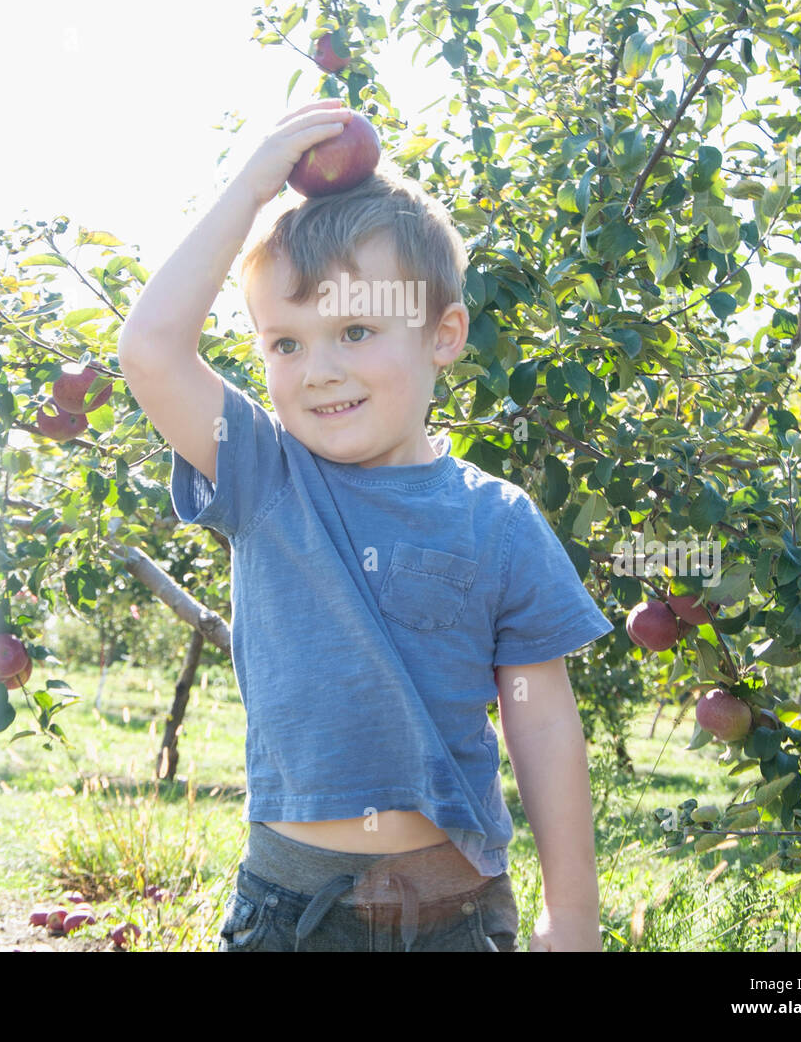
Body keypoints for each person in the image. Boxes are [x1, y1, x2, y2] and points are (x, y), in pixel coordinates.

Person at [117, 99, 614, 952]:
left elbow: (540, 717)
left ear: (443, 334)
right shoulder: (264, 476)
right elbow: (153, 349)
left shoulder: (496, 522)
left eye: (354, 330)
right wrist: (254, 186)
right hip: (296, 910)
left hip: (457, 911)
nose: (320, 371)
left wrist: (572, 914)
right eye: (286, 343)